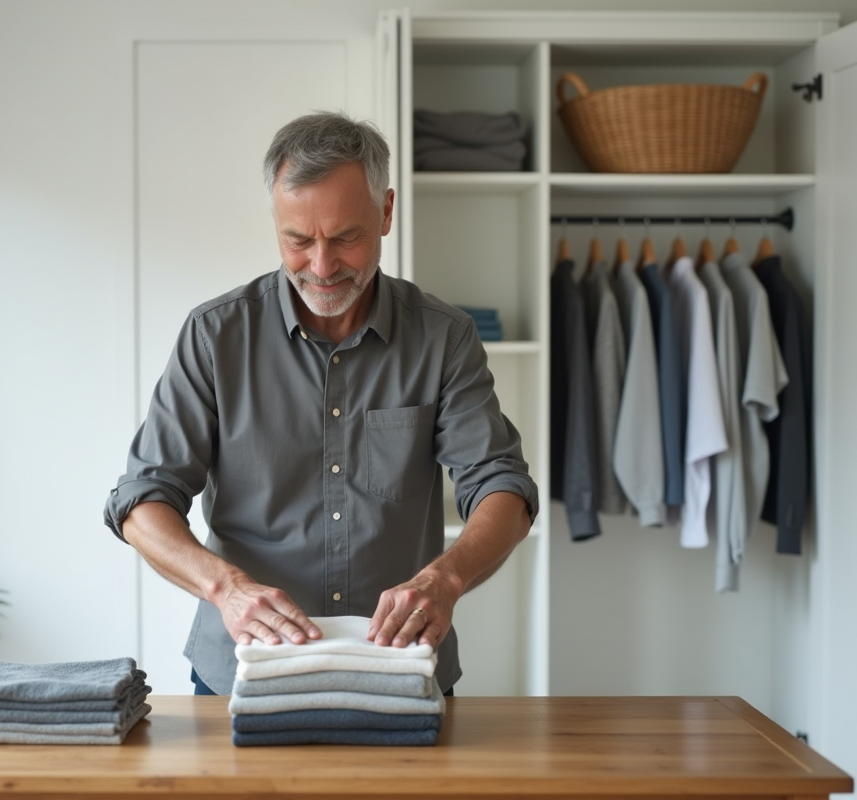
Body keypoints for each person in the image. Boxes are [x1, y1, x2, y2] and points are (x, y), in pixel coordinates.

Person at [103, 110, 539, 696]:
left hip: (399, 668)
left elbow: (501, 486)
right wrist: (224, 587)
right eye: (298, 240)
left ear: (385, 213)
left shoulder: (443, 337)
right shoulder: (214, 335)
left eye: (345, 237)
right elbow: (141, 499)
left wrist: (447, 578)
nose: (322, 266)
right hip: (242, 669)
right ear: (275, 223)